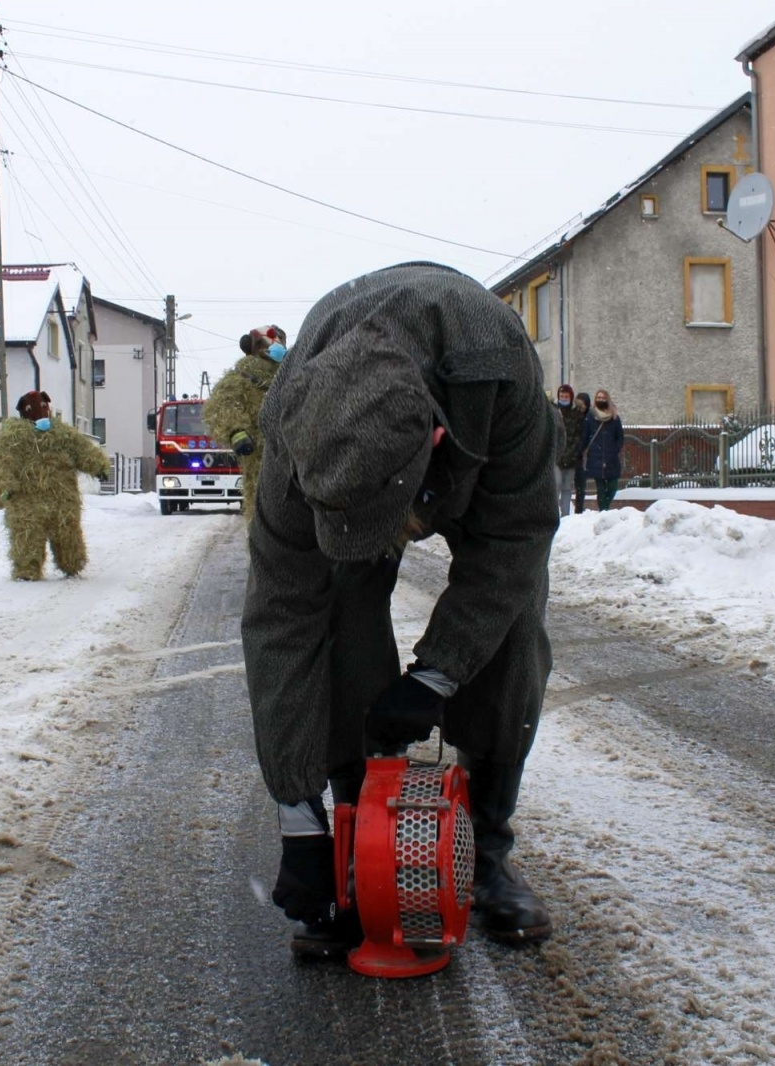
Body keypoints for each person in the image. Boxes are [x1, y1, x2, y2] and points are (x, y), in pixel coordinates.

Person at [241, 262, 560, 957]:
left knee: (508, 639)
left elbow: (514, 542)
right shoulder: (296, 426)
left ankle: (488, 853)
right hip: (359, 458)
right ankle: (357, 843)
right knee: (337, 620)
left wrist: (437, 675)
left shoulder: (500, 376)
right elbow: (281, 617)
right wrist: (299, 816)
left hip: (477, 444)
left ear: (435, 447)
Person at [0, 390, 111, 580]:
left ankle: (71, 563)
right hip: (27, 500)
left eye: (44, 407)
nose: (41, 412)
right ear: (23, 412)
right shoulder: (14, 437)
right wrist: (5, 486)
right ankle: (27, 570)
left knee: (67, 532)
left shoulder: (62, 434)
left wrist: (99, 466)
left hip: (61, 497)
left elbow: (82, 450)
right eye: (33, 409)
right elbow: (4, 463)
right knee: (27, 535)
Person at [203, 325, 288, 524]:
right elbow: (222, 404)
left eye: (279, 340)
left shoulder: (296, 372)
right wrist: (236, 432)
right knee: (264, 514)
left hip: (297, 459)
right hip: (259, 457)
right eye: (267, 342)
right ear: (251, 347)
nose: (276, 345)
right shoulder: (241, 378)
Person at [578, 388, 624, 512]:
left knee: (612, 487)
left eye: (603, 398)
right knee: (600, 488)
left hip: (611, 458)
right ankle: (603, 511)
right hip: (595, 457)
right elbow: (585, 436)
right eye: (598, 398)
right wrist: (580, 451)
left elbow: (620, 437)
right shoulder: (591, 417)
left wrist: (615, 449)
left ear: (607, 399)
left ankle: (605, 507)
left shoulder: (615, 418)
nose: (601, 400)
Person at [553, 385, 586, 517]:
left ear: (571, 397)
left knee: (567, 487)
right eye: (562, 397)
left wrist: (569, 454)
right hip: (555, 458)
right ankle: (553, 513)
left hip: (571, 458)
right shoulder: (553, 410)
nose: (563, 399)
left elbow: (578, 436)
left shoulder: (576, 414)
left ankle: (565, 515)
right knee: (556, 485)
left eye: (566, 397)